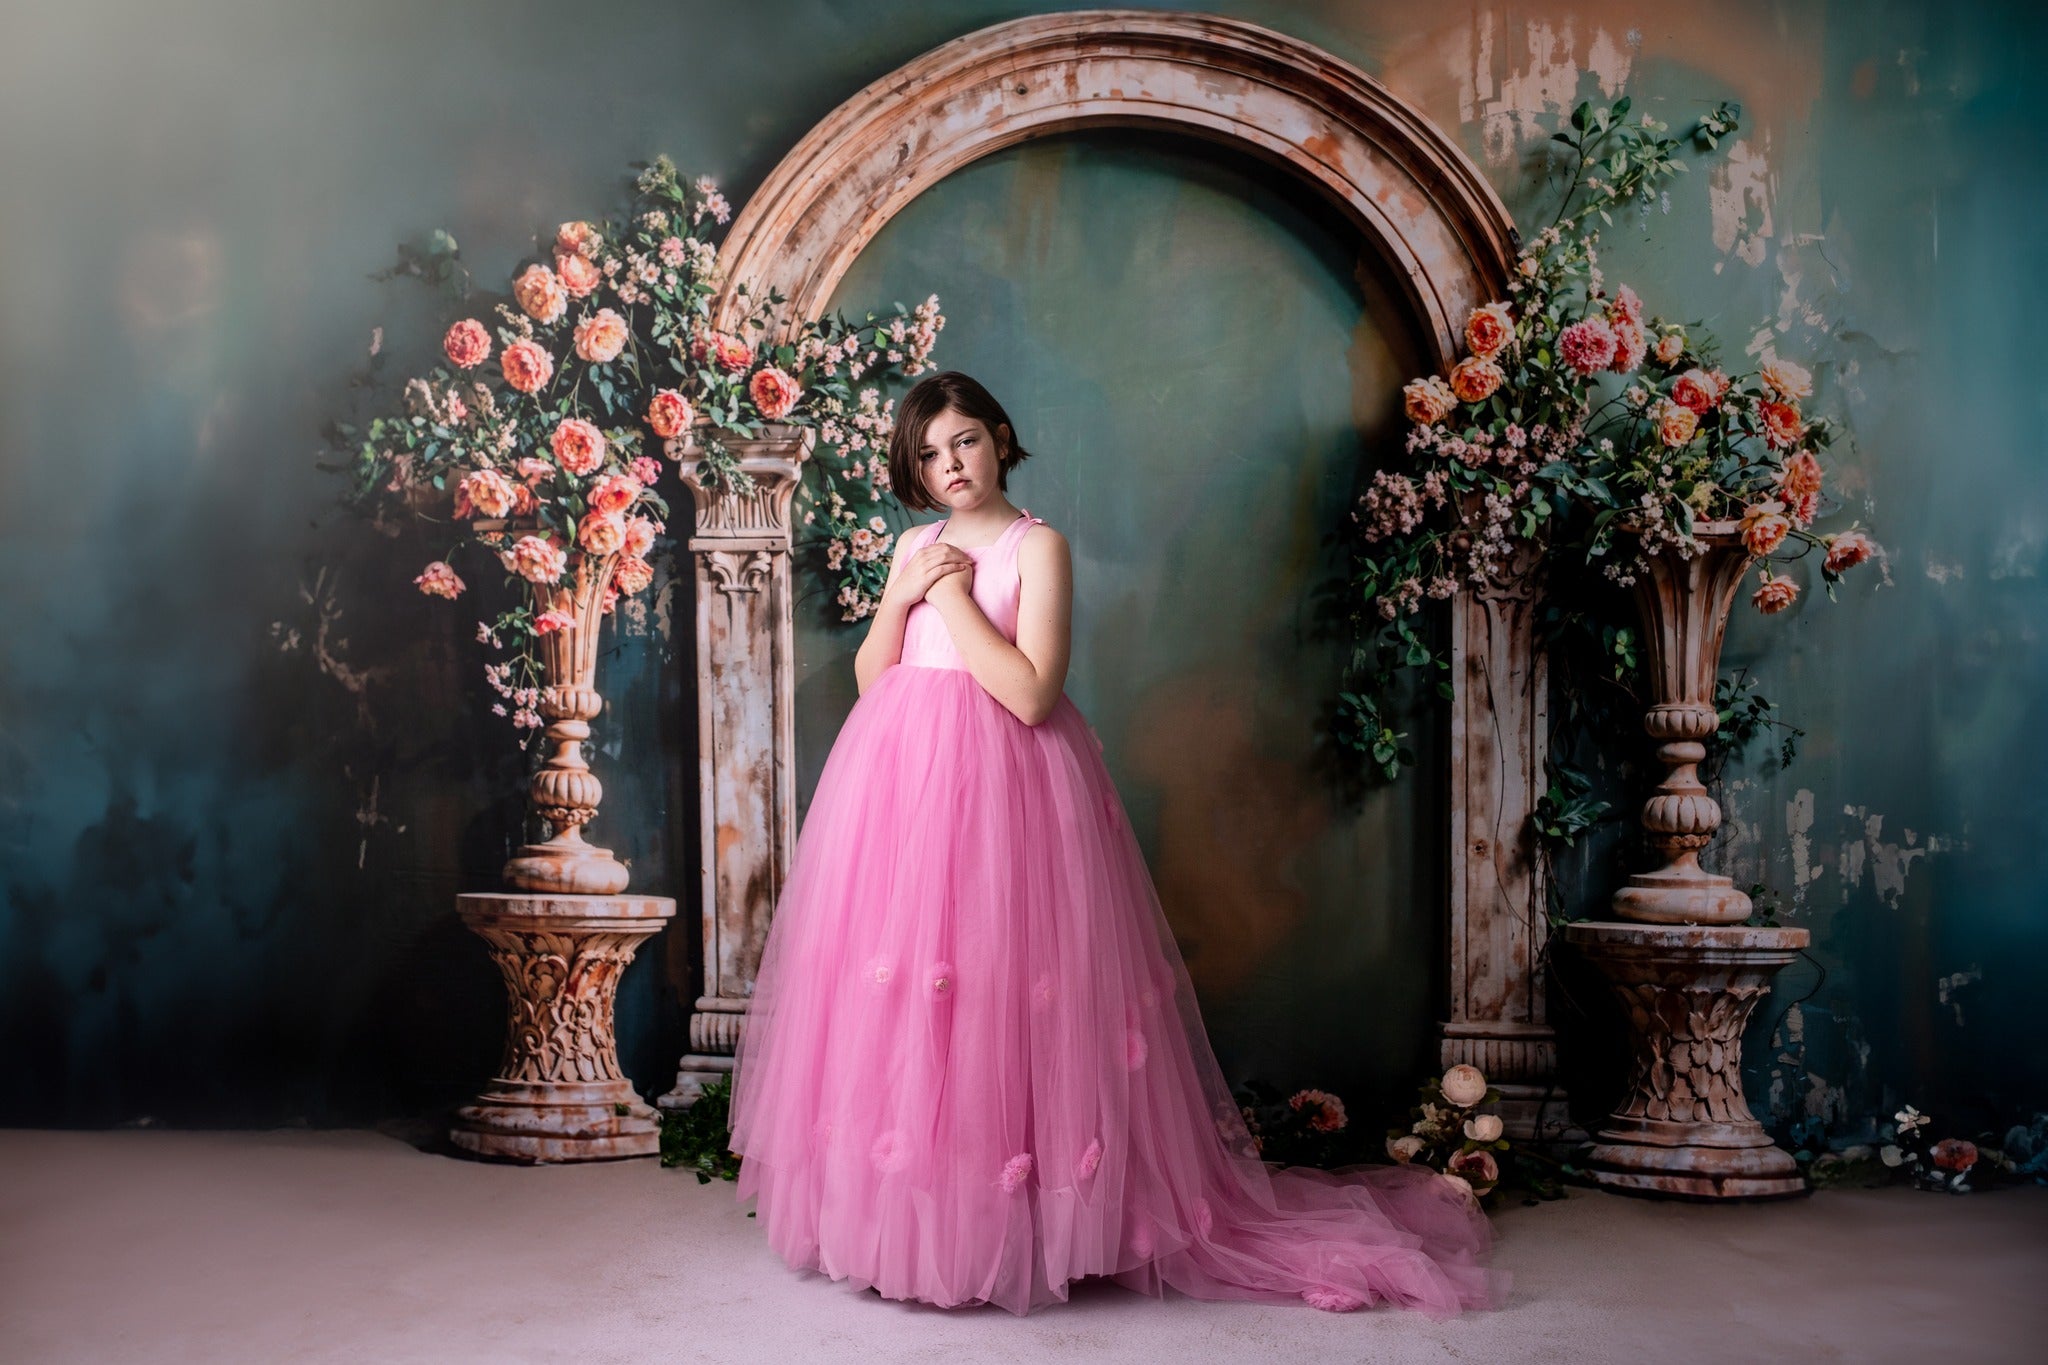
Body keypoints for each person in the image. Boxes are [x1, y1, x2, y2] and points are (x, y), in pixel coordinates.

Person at [726, 370, 1509, 1318]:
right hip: (904, 789)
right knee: (917, 993)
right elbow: (871, 674)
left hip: (1007, 790)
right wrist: (903, 595)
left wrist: (958, 600)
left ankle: (1021, 1224)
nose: (949, 466)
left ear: (1000, 435)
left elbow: (1029, 692)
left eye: (965, 441)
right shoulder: (913, 544)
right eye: (928, 455)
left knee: (1005, 991)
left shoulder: (1036, 546)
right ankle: (920, 1217)